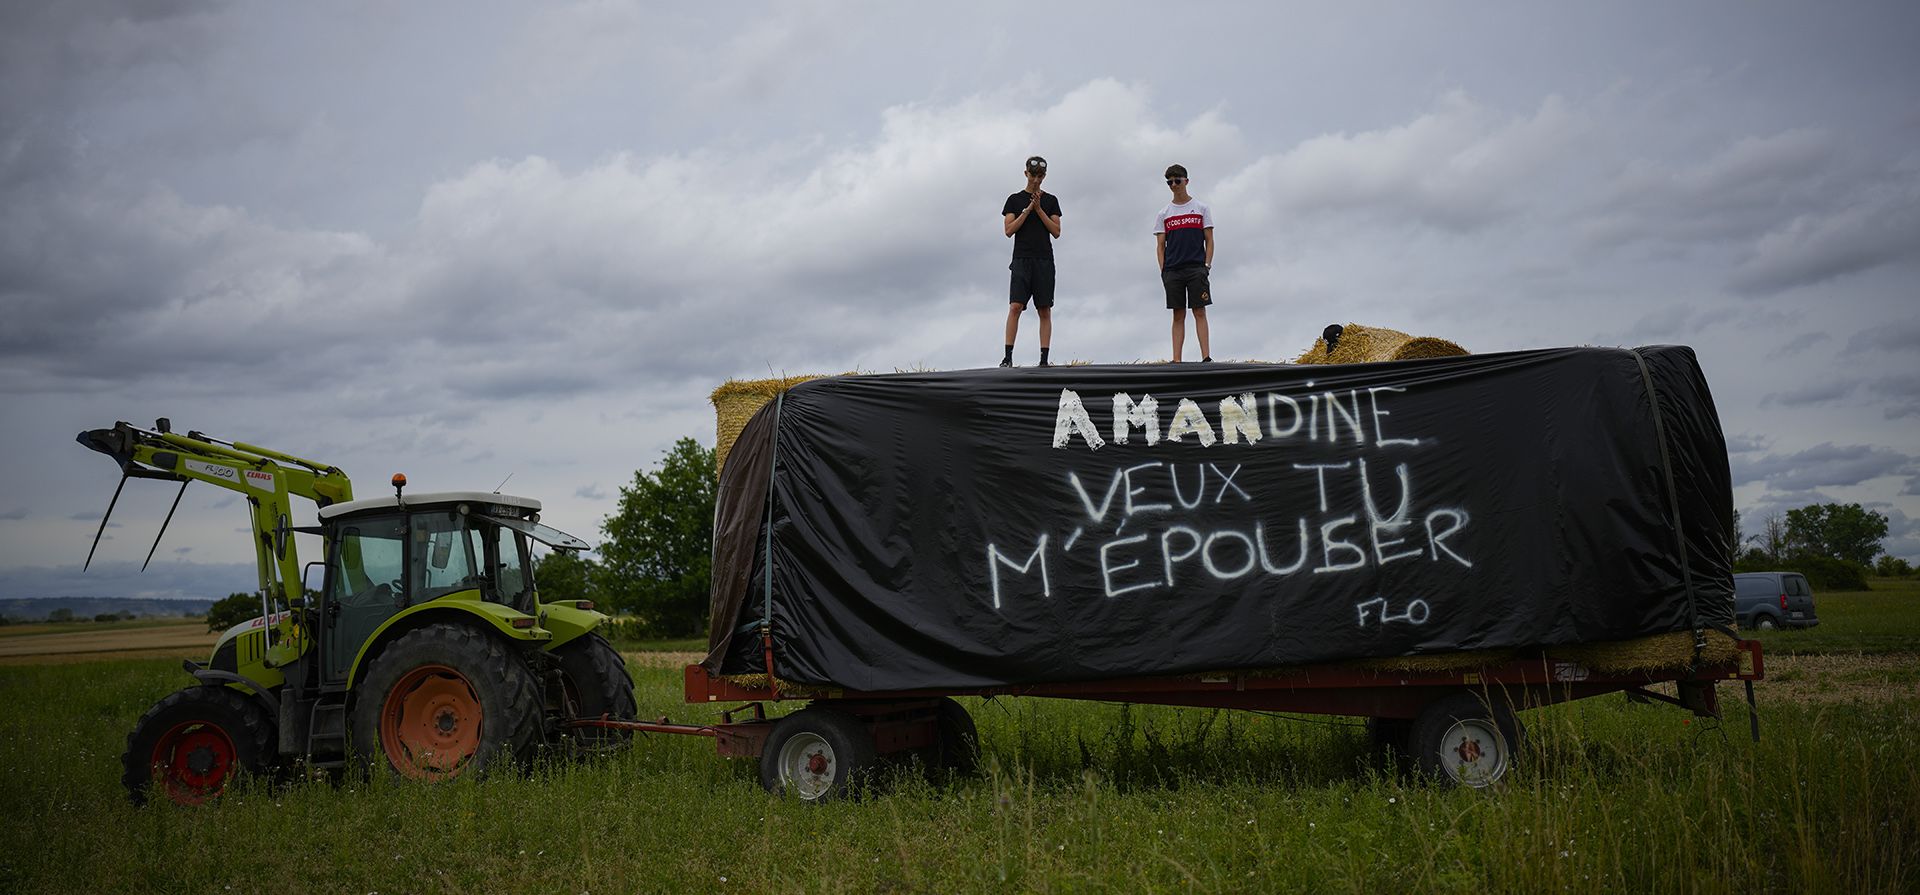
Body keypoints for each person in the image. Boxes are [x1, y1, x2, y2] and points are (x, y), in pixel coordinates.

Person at [1000, 155, 1062, 367]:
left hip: (1044, 259)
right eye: (1032, 174)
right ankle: (1007, 357)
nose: (1036, 179)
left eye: (1040, 175)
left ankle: (1043, 360)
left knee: (1044, 309)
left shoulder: (1051, 200)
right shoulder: (1014, 200)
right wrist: (1028, 209)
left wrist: (1039, 209)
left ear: (1044, 176)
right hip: (1021, 258)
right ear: (1026, 173)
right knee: (1015, 306)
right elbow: (1009, 230)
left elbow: (1056, 231)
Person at [1153, 164, 1215, 362]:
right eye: (1169, 182)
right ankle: (1176, 360)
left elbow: (1210, 239)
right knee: (1177, 314)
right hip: (1173, 270)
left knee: (1199, 310)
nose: (1173, 185)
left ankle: (1206, 357)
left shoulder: (1201, 208)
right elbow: (1160, 245)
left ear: (1186, 181)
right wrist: (1163, 270)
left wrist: (1207, 265)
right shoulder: (1164, 213)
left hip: (1196, 267)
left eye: (1177, 181)